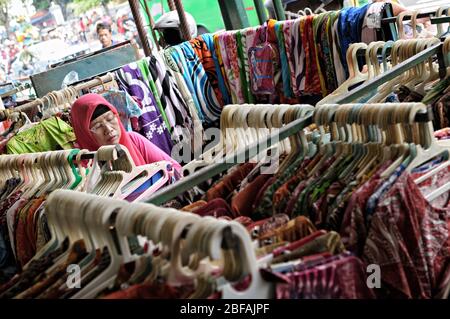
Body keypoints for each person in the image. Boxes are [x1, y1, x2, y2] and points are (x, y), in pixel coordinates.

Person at [70, 93, 181, 172]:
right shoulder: (84, 168)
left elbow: (175, 168)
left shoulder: (134, 140)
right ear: (85, 135)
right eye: (98, 126)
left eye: (110, 119)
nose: (109, 129)